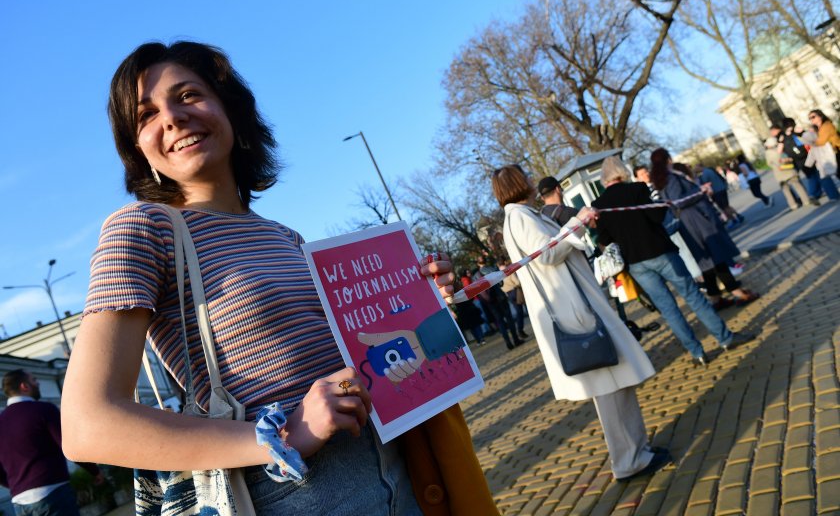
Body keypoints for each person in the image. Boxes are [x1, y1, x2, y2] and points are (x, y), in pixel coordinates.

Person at [59, 41, 496, 515]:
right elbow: (88, 425)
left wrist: (415, 299)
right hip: (294, 497)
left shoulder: (286, 236)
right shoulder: (143, 229)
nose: (171, 117)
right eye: (146, 115)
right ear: (138, 148)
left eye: (187, 95)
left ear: (230, 108)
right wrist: (280, 437)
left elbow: (360, 353)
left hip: (399, 474)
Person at [492, 165, 672, 483]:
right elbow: (547, 254)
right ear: (520, 182)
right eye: (527, 176)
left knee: (616, 383)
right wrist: (579, 221)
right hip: (574, 310)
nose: (533, 181)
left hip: (575, 305)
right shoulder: (520, 217)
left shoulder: (519, 216)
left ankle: (636, 450)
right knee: (609, 387)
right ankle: (629, 459)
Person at [591, 157, 754, 366]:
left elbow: (604, 239)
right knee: (693, 296)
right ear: (623, 172)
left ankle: (697, 353)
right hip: (662, 253)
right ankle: (725, 338)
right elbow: (657, 217)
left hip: (637, 263)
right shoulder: (638, 189)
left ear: (604, 178)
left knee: (669, 310)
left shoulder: (599, 205)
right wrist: (658, 205)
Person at [650, 149, 759, 309]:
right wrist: (700, 191)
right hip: (697, 221)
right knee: (716, 257)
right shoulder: (671, 177)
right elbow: (678, 201)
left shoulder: (663, 178)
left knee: (709, 262)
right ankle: (736, 293)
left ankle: (716, 298)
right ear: (668, 159)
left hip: (692, 222)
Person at [0, 370, 104, 516]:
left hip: (20, 503)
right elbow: (69, 446)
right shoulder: (43, 410)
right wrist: (95, 471)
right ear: (24, 386)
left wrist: (17, 486)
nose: (38, 383)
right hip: (53, 493)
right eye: (34, 379)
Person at [474, 254, 526, 348]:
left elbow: (478, 291)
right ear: (485, 261)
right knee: (509, 319)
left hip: (491, 302)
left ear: (477, 263)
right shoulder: (492, 269)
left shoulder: (476, 276)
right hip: (500, 297)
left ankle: (508, 343)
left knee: (500, 322)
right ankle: (515, 339)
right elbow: (501, 282)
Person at [765, 126, 807, 211]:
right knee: (798, 186)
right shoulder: (781, 148)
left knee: (786, 190)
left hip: (779, 173)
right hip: (789, 170)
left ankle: (793, 205)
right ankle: (805, 200)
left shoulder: (768, 153)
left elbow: (769, 163)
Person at [806, 109, 840, 200]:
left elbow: (821, 141)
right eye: (810, 118)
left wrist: (810, 141)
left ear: (820, 116)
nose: (811, 119)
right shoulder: (819, 128)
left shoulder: (826, 125)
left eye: (813, 117)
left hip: (837, 150)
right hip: (831, 153)